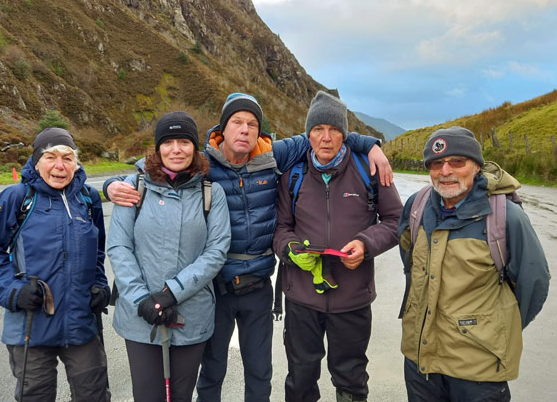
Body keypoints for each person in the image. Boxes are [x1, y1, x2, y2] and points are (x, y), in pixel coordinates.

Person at [104, 92, 392, 402]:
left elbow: (324, 133)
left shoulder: (273, 156)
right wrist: (112, 185)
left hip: (258, 284)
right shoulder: (203, 164)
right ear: (222, 129)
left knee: (260, 372)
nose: (244, 129)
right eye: (237, 122)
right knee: (212, 371)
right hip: (217, 286)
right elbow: (163, 163)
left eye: (252, 124)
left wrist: (371, 145)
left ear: (259, 131)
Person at [397, 126, 550, 402]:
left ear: (476, 166)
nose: (445, 171)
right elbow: (410, 263)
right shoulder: (416, 206)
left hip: (479, 372)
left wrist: (492, 329)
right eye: (436, 164)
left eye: (457, 162)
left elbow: (534, 284)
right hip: (420, 363)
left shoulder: (506, 217)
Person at [273, 90, 403, 402]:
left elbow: (396, 220)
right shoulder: (294, 174)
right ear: (309, 135)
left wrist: (365, 243)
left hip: (352, 299)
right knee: (301, 377)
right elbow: (280, 228)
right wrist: (290, 250)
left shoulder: (367, 169)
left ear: (345, 135)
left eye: (334, 130)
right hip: (302, 298)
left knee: (351, 378)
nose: (326, 138)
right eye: (318, 130)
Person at [106, 111, 231, 402]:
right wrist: (142, 301)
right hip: (141, 317)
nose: (176, 149)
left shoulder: (212, 193)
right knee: (148, 396)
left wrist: (170, 293)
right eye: (169, 142)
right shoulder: (134, 187)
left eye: (184, 142)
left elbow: (216, 251)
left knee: (180, 395)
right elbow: (119, 247)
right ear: (158, 147)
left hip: (192, 315)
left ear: (195, 147)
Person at [0, 127, 110, 402]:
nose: (59, 165)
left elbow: (97, 252)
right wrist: (13, 291)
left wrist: (100, 285)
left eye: (67, 157)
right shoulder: (18, 198)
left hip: (81, 325)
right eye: (50, 156)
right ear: (36, 161)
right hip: (30, 324)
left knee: (94, 395)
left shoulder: (88, 200)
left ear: (76, 163)